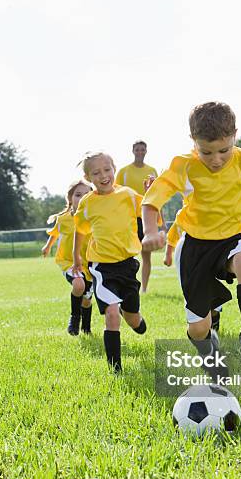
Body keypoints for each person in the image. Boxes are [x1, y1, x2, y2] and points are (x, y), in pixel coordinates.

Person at [142, 101, 241, 362]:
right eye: (206, 152)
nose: (216, 160)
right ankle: (211, 360)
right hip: (195, 246)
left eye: (223, 150)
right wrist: (151, 232)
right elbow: (151, 201)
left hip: (231, 239)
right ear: (193, 140)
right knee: (199, 328)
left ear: (235, 136)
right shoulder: (183, 165)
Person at [72, 152, 147, 373]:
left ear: (114, 169)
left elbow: (148, 210)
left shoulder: (129, 195)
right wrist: (77, 256)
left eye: (107, 170)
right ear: (88, 177)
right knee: (111, 314)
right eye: (96, 172)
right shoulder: (87, 203)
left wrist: (152, 193)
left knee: (134, 321)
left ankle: (132, 316)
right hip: (101, 267)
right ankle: (116, 369)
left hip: (128, 264)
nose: (103, 175)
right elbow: (80, 230)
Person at [41, 180, 93, 335]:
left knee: (87, 300)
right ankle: (74, 318)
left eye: (87, 195)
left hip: (89, 263)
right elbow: (56, 233)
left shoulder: (94, 218)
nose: (82, 198)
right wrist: (48, 246)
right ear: (70, 198)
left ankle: (86, 328)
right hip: (68, 261)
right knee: (78, 286)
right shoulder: (63, 218)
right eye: (78, 195)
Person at [116, 141, 159, 293]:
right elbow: (114, 196)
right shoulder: (123, 172)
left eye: (142, 149)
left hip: (146, 218)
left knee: (146, 255)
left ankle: (144, 289)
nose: (140, 152)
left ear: (146, 151)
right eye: (137, 149)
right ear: (133, 151)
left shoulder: (152, 171)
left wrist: (160, 219)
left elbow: (157, 195)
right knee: (126, 255)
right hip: (128, 220)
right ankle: (126, 285)